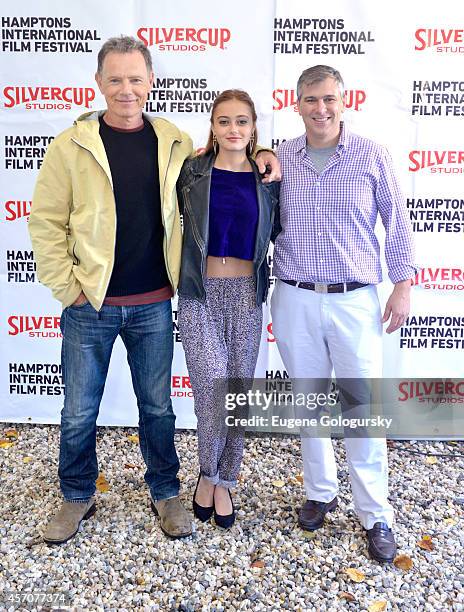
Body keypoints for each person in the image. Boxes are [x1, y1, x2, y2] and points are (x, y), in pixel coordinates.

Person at [28, 36, 279, 544]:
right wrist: (69, 288)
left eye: (135, 79)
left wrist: (266, 150)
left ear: (150, 83)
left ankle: (166, 490)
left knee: (158, 406)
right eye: (115, 79)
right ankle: (76, 495)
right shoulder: (69, 146)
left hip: (153, 303)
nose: (126, 89)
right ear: (99, 83)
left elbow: (225, 156)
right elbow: (46, 222)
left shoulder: (173, 142)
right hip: (90, 304)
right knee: (78, 409)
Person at [271, 65, 415, 562]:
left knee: (361, 409)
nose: (321, 108)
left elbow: (396, 223)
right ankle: (319, 491)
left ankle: (375, 513)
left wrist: (403, 284)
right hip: (294, 296)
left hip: (355, 298)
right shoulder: (280, 157)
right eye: (310, 99)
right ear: (297, 103)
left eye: (328, 98)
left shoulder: (372, 155)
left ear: (344, 99)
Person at [176, 90, 278, 528]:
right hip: (200, 293)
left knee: (237, 396)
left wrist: (271, 154)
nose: (233, 130)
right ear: (212, 127)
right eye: (223, 121)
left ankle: (226, 479)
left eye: (241, 121)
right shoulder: (192, 173)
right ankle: (207, 473)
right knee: (212, 394)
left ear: (254, 127)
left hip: (246, 295)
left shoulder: (268, 177)